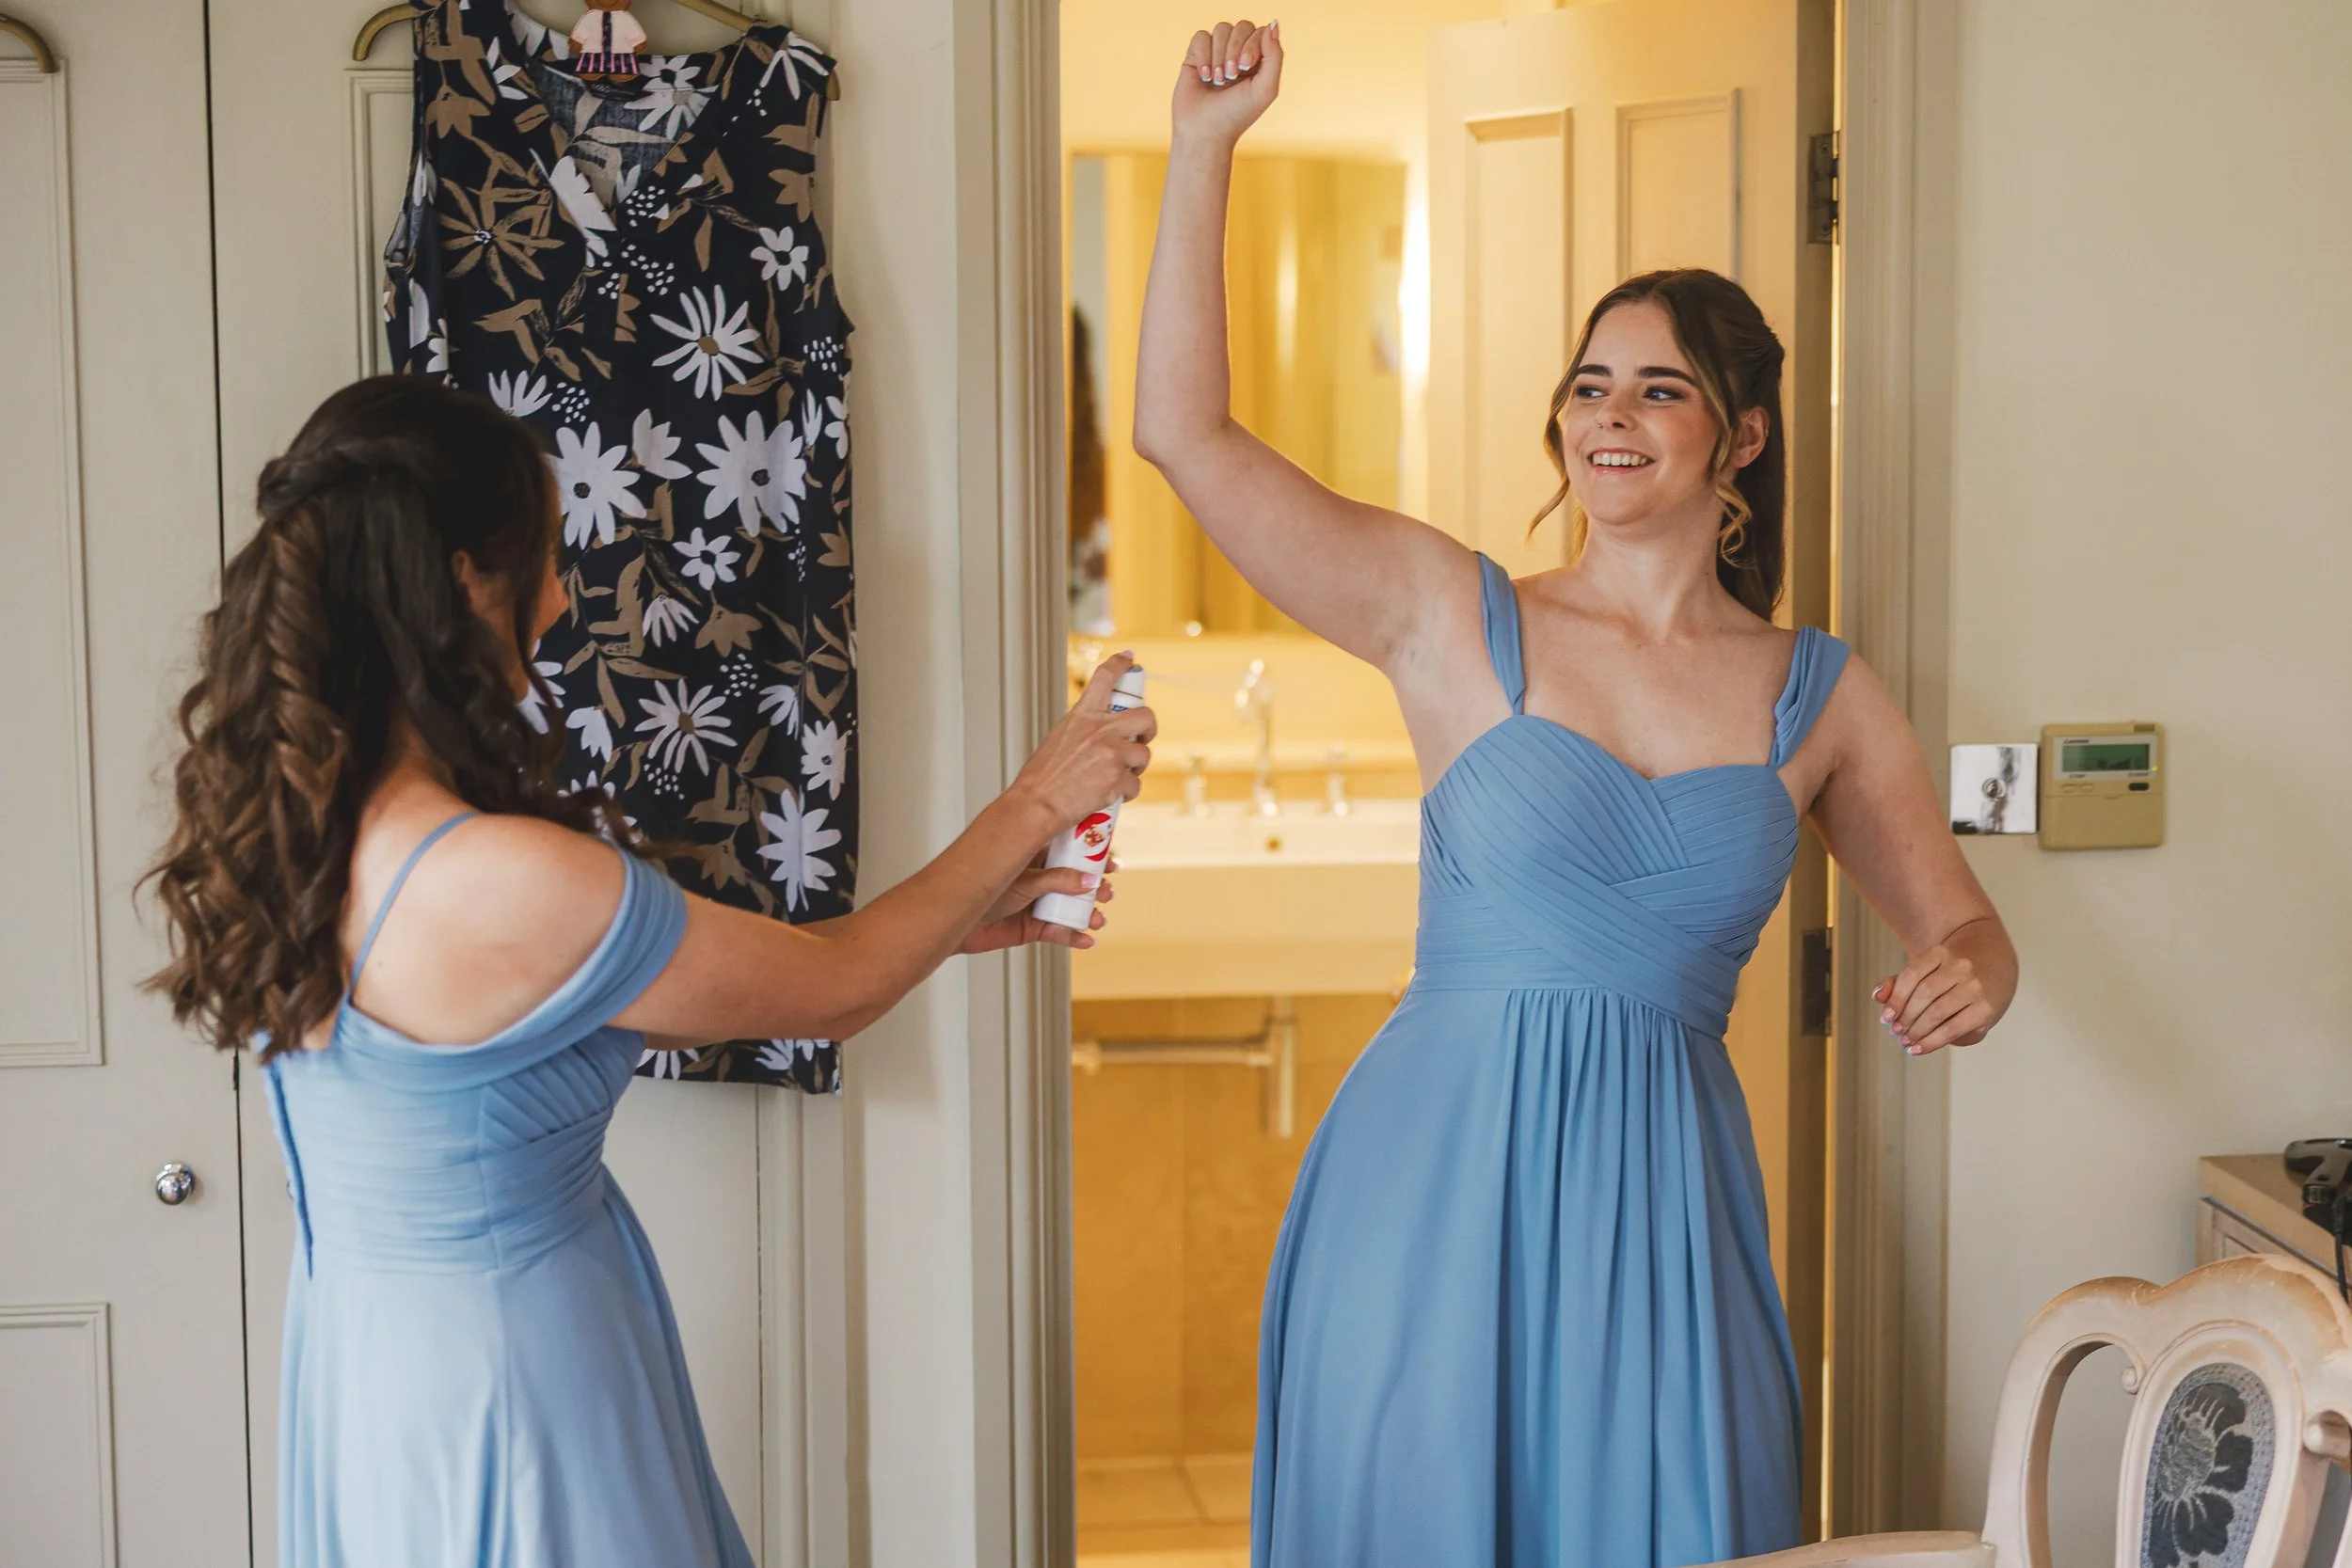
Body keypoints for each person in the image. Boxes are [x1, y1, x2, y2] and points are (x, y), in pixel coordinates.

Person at [1135, 22, 2017, 1566]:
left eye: (1659, 390)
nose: (1609, 415)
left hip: (1668, 1210)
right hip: (1432, 1193)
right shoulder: (1446, 610)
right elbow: (1185, 439)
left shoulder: (1823, 693)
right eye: (1589, 383)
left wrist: (1971, 974)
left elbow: (1970, 928)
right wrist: (1204, 148)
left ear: (1738, 437)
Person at [141, 375, 1154, 1568]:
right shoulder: (503, 876)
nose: (564, 601)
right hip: (517, 1381)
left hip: (369, 1369)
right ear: (466, 578)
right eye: (550, 558)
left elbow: (782, 975)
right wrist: (1043, 794)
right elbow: (836, 990)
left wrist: (947, 917)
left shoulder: (297, 831)